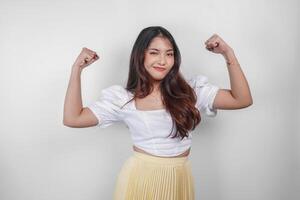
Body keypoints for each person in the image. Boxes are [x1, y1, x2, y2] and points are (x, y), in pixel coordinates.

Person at [63, 26, 253, 200]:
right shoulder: (123, 99)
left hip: (180, 178)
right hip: (142, 180)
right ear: (140, 56)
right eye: (154, 53)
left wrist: (228, 54)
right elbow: (73, 118)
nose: (163, 60)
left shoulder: (190, 92)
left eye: (169, 54)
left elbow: (242, 99)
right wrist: (76, 70)